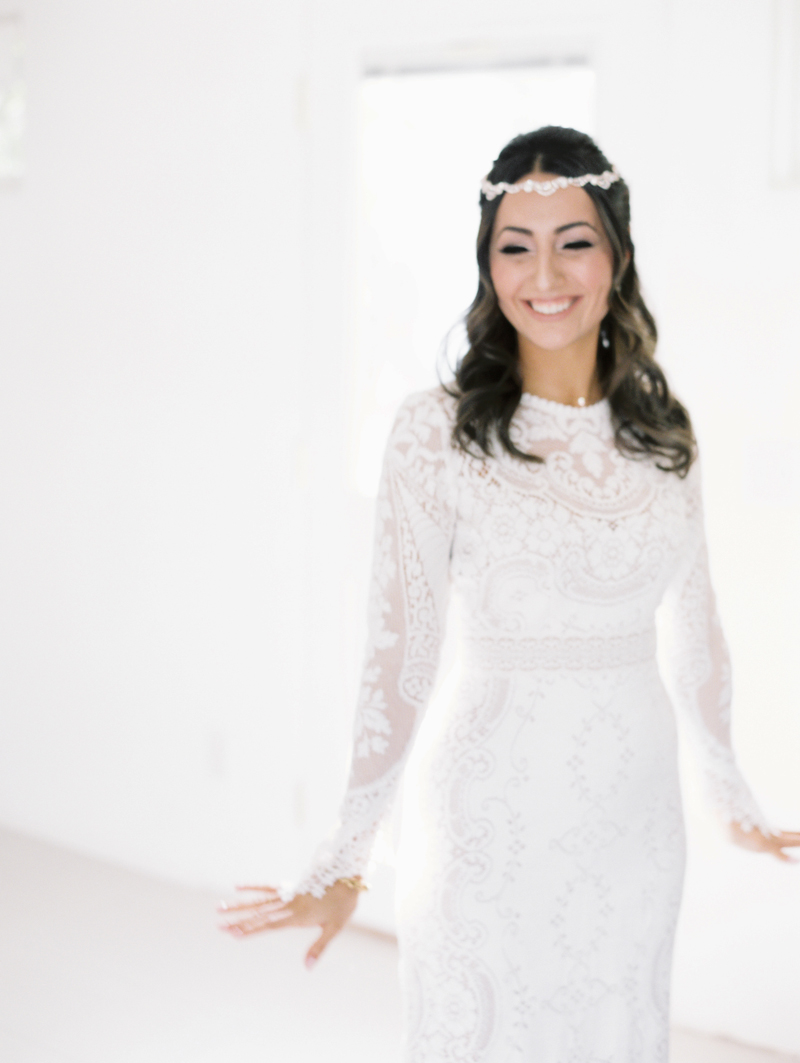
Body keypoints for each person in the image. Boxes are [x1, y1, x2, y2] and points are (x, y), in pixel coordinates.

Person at [220, 126, 800, 1061]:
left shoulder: (665, 434)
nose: (545, 273)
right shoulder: (433, 434)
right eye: (514, 246)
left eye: (573, 240)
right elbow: (399, 656)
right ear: (488, 266)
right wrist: (346, 858)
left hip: (633, 822)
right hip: (487, 816)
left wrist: (732, 794)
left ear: (616, 252)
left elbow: (697, 629)